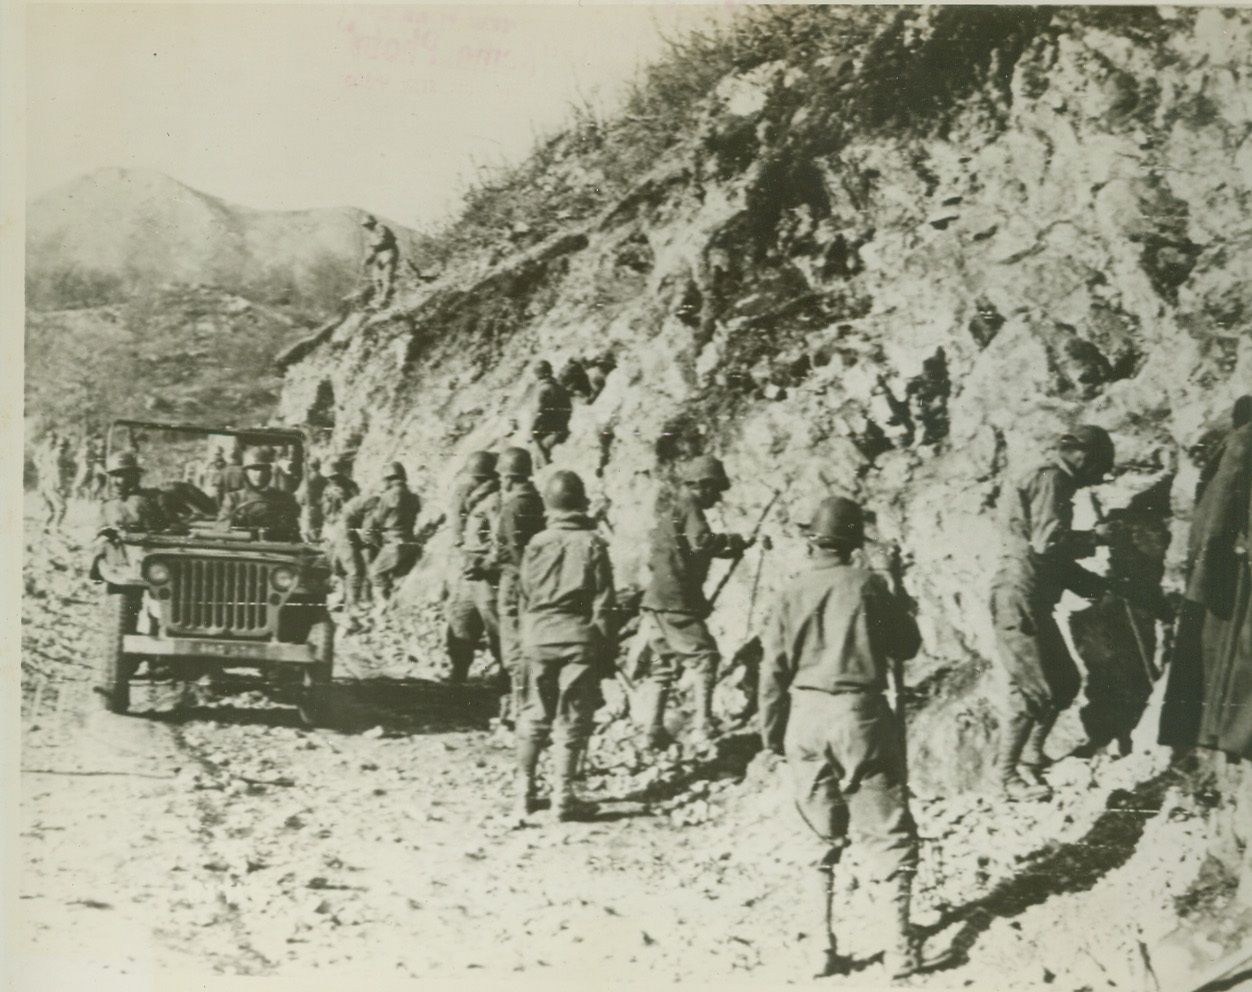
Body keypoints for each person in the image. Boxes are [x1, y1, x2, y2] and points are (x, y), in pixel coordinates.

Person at [759, 497, 922, 979]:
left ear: (812, 539)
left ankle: (821, 947)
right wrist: (893, 589)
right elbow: (907, 645)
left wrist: (772, 735)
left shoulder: (790, 592)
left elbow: (771, 669)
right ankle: (898, 947)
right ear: (854, 542)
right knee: (889, 830)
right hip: (860, 717)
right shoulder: (867, 585)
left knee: (818, 836)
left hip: (804, 718)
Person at [989, 425, 1115, 802]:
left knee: (1063, 683)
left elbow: (1048, 554)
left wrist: (1096, 587)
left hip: (1031, 596)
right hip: (1020, 597)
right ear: (1083, 457)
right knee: (1031, 691)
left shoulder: (1047, 478)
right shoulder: (1053, 479)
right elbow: (1049, 543)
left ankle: (1030, 755)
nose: (1097, 478)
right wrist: (1096, 538)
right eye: (1099, 468)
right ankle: (1005, 777)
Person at [515, 470, 616, 822]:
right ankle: (562, 798)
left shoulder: (536, 543)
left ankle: (523, 794)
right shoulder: (594, 543)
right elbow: (604, 602)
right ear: (581, 502)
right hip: (578, 638)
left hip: (538, 636)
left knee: (534, 715)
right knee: (572, 719)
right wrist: (603, 647)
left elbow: (524, 593)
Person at [639, 454, 752, 747]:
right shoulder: (690, 506)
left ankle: (652, 730)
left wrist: (732, 548)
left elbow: (691, 552)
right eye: (716, 489)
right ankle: (703, 725)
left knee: (663, 663)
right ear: (703, 486)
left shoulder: (674, 509)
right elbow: (701, 542)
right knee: (706, 658)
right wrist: (732, 541)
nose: (718, 497)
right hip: (674, 602)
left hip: (657, 600)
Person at [1161, 399, 1252, 761]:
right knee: (1229, 658)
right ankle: (1222, 741)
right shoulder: (1244, 441)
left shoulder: (1238, 440)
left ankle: (1221, 738)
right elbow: (1221, 508)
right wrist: (1207, 571)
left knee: (1223, 659)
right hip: (1228, 570)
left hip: (1221, 565)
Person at [488, 447, 547, 724]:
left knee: (512, 648)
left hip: (514, 581)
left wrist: (491, 565)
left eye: (502, 478)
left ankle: (517, 707)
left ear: (509, 478)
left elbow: (513, 549)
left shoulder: (513, 506)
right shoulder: (536, 501)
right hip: (533, 580)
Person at [446, 451, 503, 682]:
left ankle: (507, 677)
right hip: (469, 571)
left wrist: (487, 563)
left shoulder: (496, 501)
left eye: (473, 478)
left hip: (487, 574)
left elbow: (502, 540)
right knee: (460, 621)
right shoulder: (474, 499)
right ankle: (458, 673)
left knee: (495, 626)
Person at [365, 461, 422, 603]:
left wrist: (375, 540)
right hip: (411, 542)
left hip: (395, 544)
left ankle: (388, 605)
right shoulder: (413, 496)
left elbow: (376, 521)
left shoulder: (388, 496)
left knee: (375, 573)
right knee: (400, 577)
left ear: (388, 479)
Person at [217, 448, 302, 541]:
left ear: (269, 472)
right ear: (246, 472)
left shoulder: (283, 499)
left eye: (263, 469)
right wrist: (236, 520)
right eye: (254, 469)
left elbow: (292, 532)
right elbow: (222, 530)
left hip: (276, 550)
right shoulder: (233, 498)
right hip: (242, 550)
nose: (259, 473)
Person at [330, 490, 381, 613]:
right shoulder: (376, 504)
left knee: (363, 562)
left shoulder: (374, 500)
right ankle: (353, 605)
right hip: (346, 531)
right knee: (355, 568)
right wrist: (380, 545)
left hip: (345, 529)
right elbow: (367, 532)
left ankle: (357, 600)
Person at [530, 360, 572, 468]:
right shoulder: (559, 387)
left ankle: (543, 464)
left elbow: (537, 412)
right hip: (562, 426)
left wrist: (531, 429)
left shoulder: (543, 389)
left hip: (549, 430)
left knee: (534, 443)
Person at [361, 213, 399, 308]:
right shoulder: (371, 235)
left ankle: (384, 299)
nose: (366, 227)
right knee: (376, 277)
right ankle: (379, 296)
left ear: (372, 223)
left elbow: (386, 241)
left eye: (367, 224)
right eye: (365, 225)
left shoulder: (380, 227)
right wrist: (367, 260)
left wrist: (375, 249)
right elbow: (372, 252)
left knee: (387, 277)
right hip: (381, 256)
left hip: (390, 252)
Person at [320, 455, 360, 535]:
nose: (332, 480)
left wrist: (343, 498)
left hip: (347, 518)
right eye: (330, 478)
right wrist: (329, 500)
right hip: (333, 520)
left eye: (334, 477)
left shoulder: (350, 485)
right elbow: (324, 508)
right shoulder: (328, 488)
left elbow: (357, 501)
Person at [299, 457, 327, 540]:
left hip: (309, 507)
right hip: (319, 507)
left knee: (307, 532)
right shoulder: (323, 479)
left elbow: (302, 495)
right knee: (317, 530)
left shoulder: (309, 479)